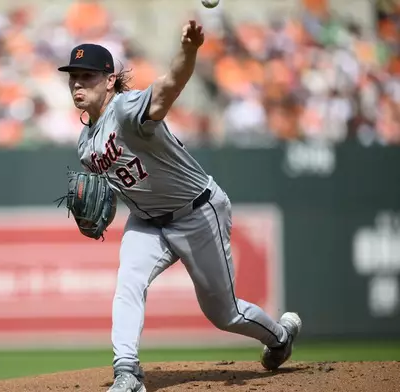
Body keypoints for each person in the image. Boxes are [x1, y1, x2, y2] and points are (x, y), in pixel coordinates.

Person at [56, 20, 302, 392]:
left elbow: (170, 85)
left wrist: (189, 49)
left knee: (225, 314)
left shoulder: (126, 109)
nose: (77, 83)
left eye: (87, 76)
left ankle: (280, 337)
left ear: (109, 81)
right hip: (146, 221)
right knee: (128, 284)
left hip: (197, 212)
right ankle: (127, 372)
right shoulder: (84, 143)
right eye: (73, 77)